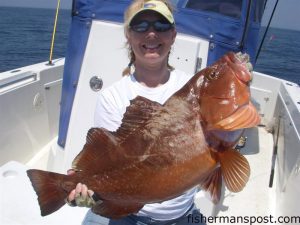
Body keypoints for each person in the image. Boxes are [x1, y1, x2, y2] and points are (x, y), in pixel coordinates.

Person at [67, 0, 206, 224]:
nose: (151, 34)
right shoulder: (112, 97)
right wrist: (90, 193)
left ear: (173, 34)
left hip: (184, 214)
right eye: (140, 26)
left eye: (161, 25)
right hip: (130, 215)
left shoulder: (192, 90)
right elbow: (109, 160)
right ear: (129, 36)